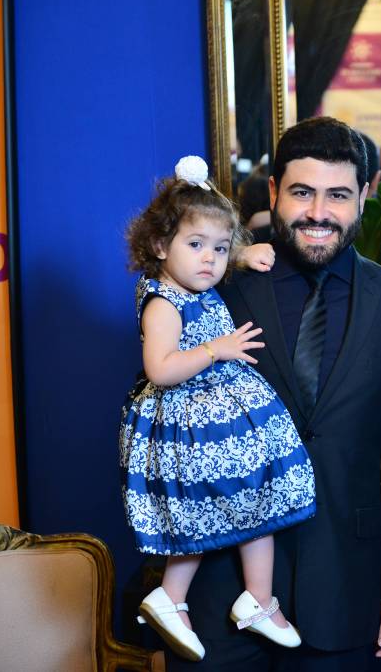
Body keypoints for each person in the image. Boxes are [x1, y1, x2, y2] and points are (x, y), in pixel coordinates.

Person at [168, 117, 381, 671]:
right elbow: (164, 416)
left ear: (365, 195)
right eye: (302, 192)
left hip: (347, 589)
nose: (318, 213)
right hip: (217, 592)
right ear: (274, 191)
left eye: (338, 195)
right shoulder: (216, 288)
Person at [119, 156, 317, 662]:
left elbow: (213, 256)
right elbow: (160, 368)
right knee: (206, 512)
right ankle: (175, 597)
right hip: (188, 428)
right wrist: (217, 349)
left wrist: (243, 255)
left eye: (220, 248)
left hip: (218, 424)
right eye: (195, 245)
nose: (209, 259)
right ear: (159, 245)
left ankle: (254, 598)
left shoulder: (194, 282)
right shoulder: (164, 303)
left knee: (256, 499)